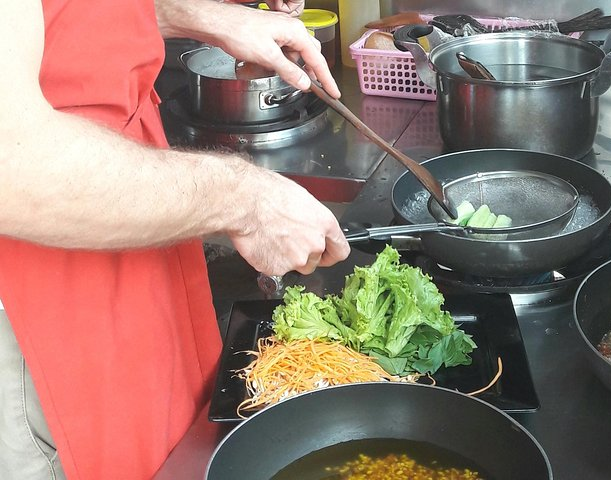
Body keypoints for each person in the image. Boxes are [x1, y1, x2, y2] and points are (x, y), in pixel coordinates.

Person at [0, 0, 350, 479]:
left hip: (125, 221)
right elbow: (13, 166)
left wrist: (195, 16)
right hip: (38, 294)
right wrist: (245, 199)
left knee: (177, 453)